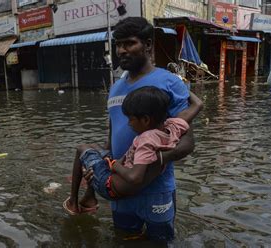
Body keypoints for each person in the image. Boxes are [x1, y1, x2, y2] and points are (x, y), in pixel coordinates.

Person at [86, 17, 194, 241]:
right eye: (118, 44)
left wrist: (149, 165)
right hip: (121, 188)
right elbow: (111, 139)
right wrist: (99, 167)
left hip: (156, 189)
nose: (122, 50)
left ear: (148, 45)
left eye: (129, 43)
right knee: (125, 238)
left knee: (159, 243)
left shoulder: (169, 82)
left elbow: (186, 142)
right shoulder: (115, 87)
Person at [64, 87, 202, 217]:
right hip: (127, 183)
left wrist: (115, 166)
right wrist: (180, 86)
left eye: (130, 119)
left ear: (146, 120)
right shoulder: (173, 126)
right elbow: (198, 104)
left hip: (109, 186)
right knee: (95, 150)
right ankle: (89, 197)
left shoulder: (146, 140)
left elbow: (135, 177)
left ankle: (73, 203)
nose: (129, 124)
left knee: (82, 149)